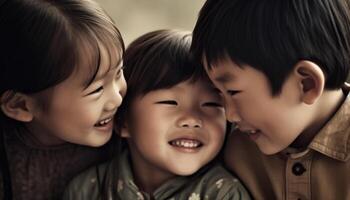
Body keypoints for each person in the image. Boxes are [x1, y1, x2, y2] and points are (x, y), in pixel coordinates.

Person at [64, 29, 250, 200]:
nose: (192, 119)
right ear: (123, 122)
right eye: (170, 102)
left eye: (211, 104)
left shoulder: (224, 194)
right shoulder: (89, 189)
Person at [191, 0, 350, 199]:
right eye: (218, 94)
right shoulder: (234, 147)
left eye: (232, 91)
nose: (229, 115)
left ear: (307, 84)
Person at [0, 0, 126, 199]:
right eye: (97, 90)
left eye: (119, 73)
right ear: (20, 105)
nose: (117, 99)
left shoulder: (129, 134)